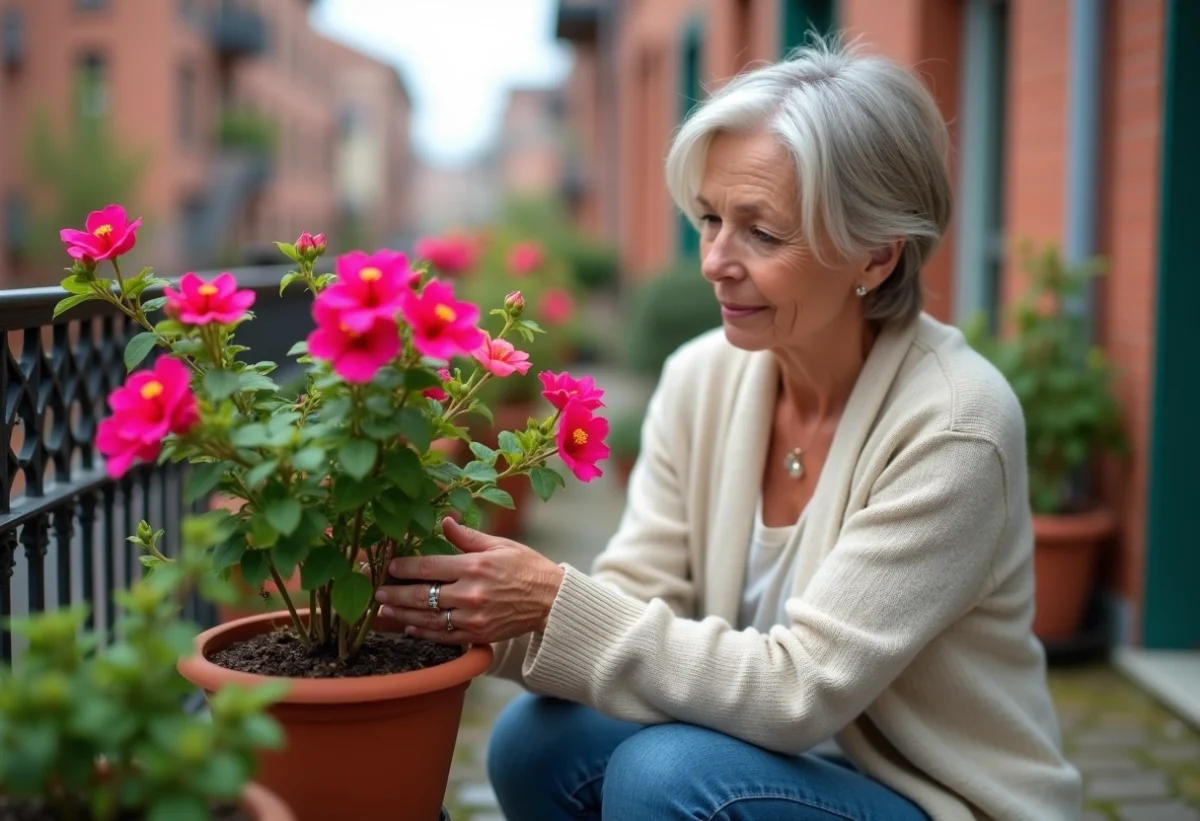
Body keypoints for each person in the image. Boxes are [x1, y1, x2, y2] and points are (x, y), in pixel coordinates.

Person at [376, 37, 1083, 821]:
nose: (714, 259)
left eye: (762, 232)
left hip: (933, 799)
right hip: (766, 762)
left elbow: (798, 690)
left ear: (876, 257)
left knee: (665, 775)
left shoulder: (954, 424)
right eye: (711, 218)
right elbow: (640, 601)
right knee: (533, 742)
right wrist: (451, 610)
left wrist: (547, 600)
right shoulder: (700, 375)